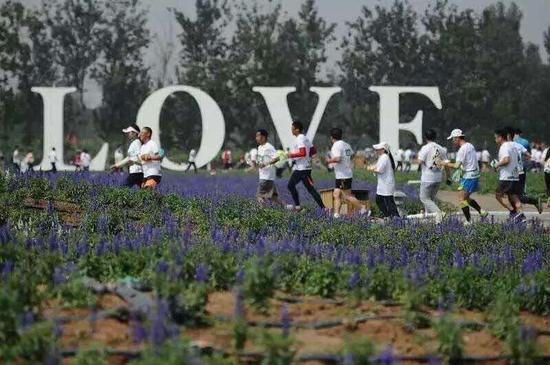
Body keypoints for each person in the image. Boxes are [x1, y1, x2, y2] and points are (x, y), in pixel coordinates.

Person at [439, 129, 487, 225]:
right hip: (473, 174)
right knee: (466, 198)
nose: (452, 141)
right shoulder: (470, 145)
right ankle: (482, 212)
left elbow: (456, 165)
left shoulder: (462, 150)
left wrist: (444, 163)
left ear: (457, 138)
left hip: (469, 176)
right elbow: (468, 162)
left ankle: (469, 221)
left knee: (462, 199)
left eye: (453, 139)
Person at [325, 128, 369, 218]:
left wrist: (328, 161)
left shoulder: (336, 146)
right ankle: (336, 215)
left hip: (342, 175)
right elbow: (351, 155)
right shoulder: (346, 145)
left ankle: (363, 208)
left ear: (331, 137)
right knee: (336, 194)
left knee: (347, 196)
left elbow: (338, 158)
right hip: (345, 173)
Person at [286, 120, 325, 211]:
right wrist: (307, 159)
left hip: (302, 169)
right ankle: (323, 208)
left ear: (297, 129)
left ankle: (298, 207)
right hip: (306, 167)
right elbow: (313, 151)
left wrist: (291, 155)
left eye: (292, 129)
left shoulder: (300, 138)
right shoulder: (305, 138)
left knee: (290, 186)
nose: (291, 131)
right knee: (310, 189)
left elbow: (302, 153)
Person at [505, 127, 542, 214]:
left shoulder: (509, 144)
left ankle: (517, 213)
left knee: (513, 194)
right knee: (516, 193)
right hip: (522, 168)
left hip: (513, 170)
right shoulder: (524, 142)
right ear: (520, 134)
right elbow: (529, 155)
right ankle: (515, 214)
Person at [416, 129, 448, 223]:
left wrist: (418, 158)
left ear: (425, 137)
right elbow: (446, 163)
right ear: (435, 137)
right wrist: (448, 177)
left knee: (424, 198)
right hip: (438, 177)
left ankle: (439, 213)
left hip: (427, 177)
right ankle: (434, 221)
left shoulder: (425, 148)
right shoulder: (441, 148)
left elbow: (420, 161)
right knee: (431, 200)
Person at [493, 129, 524, 221]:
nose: (495, 140)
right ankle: (521, 215)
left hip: (506, 177)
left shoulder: (504, 146)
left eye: (495, 138)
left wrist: (497, 165)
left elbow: (506, 160)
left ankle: (513, 212)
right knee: (514, 196)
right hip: (515, 176)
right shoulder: (513, 146)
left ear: (500, 137)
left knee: (498, 195)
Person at [368, 142, 399, 218]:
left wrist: (371, 169)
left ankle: (395, 217)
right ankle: (389, 216)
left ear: (383, 149)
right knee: (380, 200)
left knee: (389, 202)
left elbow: (380, 170)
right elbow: (378, 167)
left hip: (386, 184)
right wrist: (373, 167)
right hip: (383, 184)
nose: (376, 150)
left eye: (378, 149)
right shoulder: (383, 157)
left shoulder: (384, 157)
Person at [253, 129, 284, 206]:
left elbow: (277, 158)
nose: (256, 138)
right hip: (264, 176)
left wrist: (265, 164)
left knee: (259, 197)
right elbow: (261, 160)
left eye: (258, 136)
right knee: (274, 198)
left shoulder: (269, 147)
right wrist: (256, 163)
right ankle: (289, 208)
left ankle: (262, 214)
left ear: (263, 137)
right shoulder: (260, 147)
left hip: (267, 177)